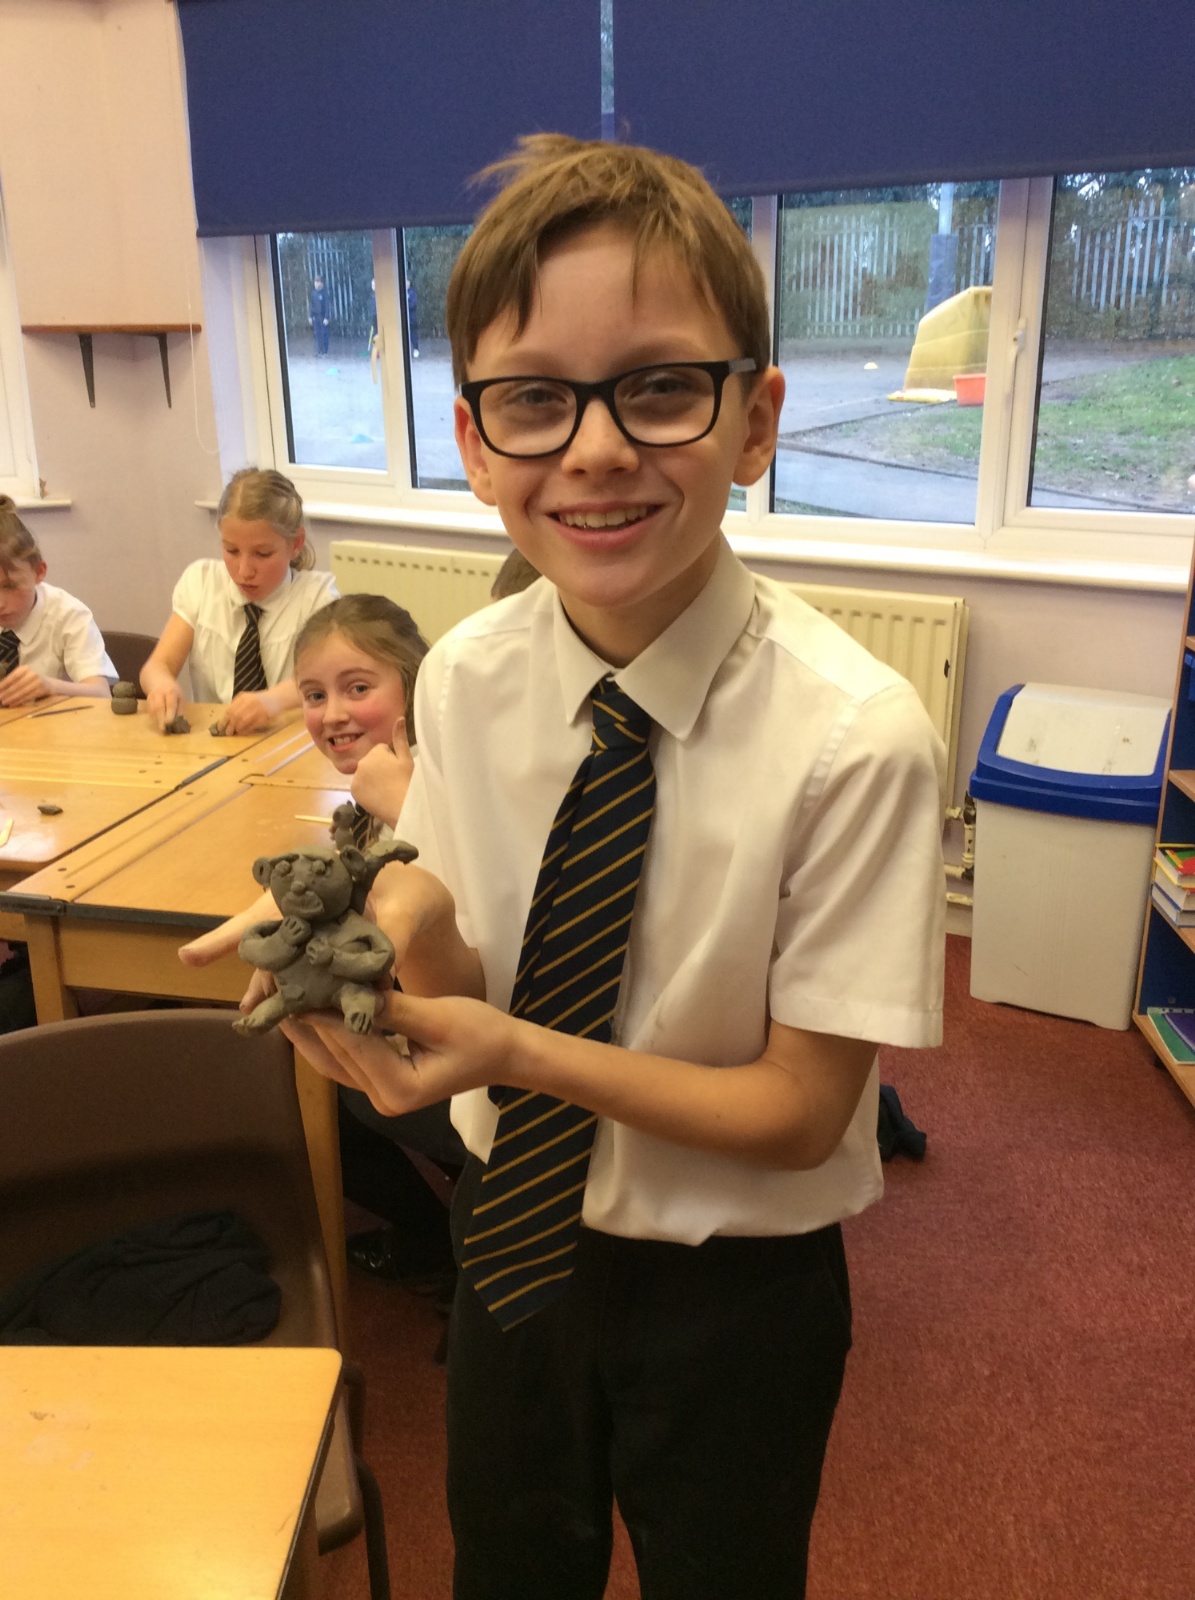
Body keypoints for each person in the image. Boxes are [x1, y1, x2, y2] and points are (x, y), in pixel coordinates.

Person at [226, 135, 947, 1600]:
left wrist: (514, 1055)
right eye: (535, 400)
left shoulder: (854, 737)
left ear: (754, 421)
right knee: (508, 1564)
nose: (596, 449)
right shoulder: (469, 674)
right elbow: (465, 955)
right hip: (508, 1235)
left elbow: (801, 1113)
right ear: (475, 440)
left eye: (661, 387)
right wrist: (382, 911)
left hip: (733, 1288)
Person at [141, 468, 337, 734]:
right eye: (231, 550)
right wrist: (161, 685)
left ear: (296, 544)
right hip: (215, 740)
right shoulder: (201, 582)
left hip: (288, 740)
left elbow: (325, 678)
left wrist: (272, 701)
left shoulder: (318, 597)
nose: (244, 571)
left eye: (262, 554)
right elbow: (157, 665)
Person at [0, 495, 115, 706]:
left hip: (54, 724)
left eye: (10, 586)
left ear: (39, 572)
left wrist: (51, 687)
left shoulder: (69, 615)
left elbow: (102, 695)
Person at [310, 275, 330, 356]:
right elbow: (311, 305)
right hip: (316, 317)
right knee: (317, 334)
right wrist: (310, 316)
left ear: (322, 283)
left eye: (319, 282)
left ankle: (325, 351)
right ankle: (319, 350)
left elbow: (327, 306)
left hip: (323, 317)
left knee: (324, 334)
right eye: (316, 282)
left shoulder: (325, 293)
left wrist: (326, 317)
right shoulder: (313, 293)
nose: (317, 284)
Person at [406, 277, 420, 358]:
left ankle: (415, 349)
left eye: (407, 281)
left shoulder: (412, 293)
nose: (406, 283)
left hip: (411, 318)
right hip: (403, 319)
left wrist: (406, 305)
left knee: (413, 334)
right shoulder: (400, 292)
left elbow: (413, 305)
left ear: (409, 283)